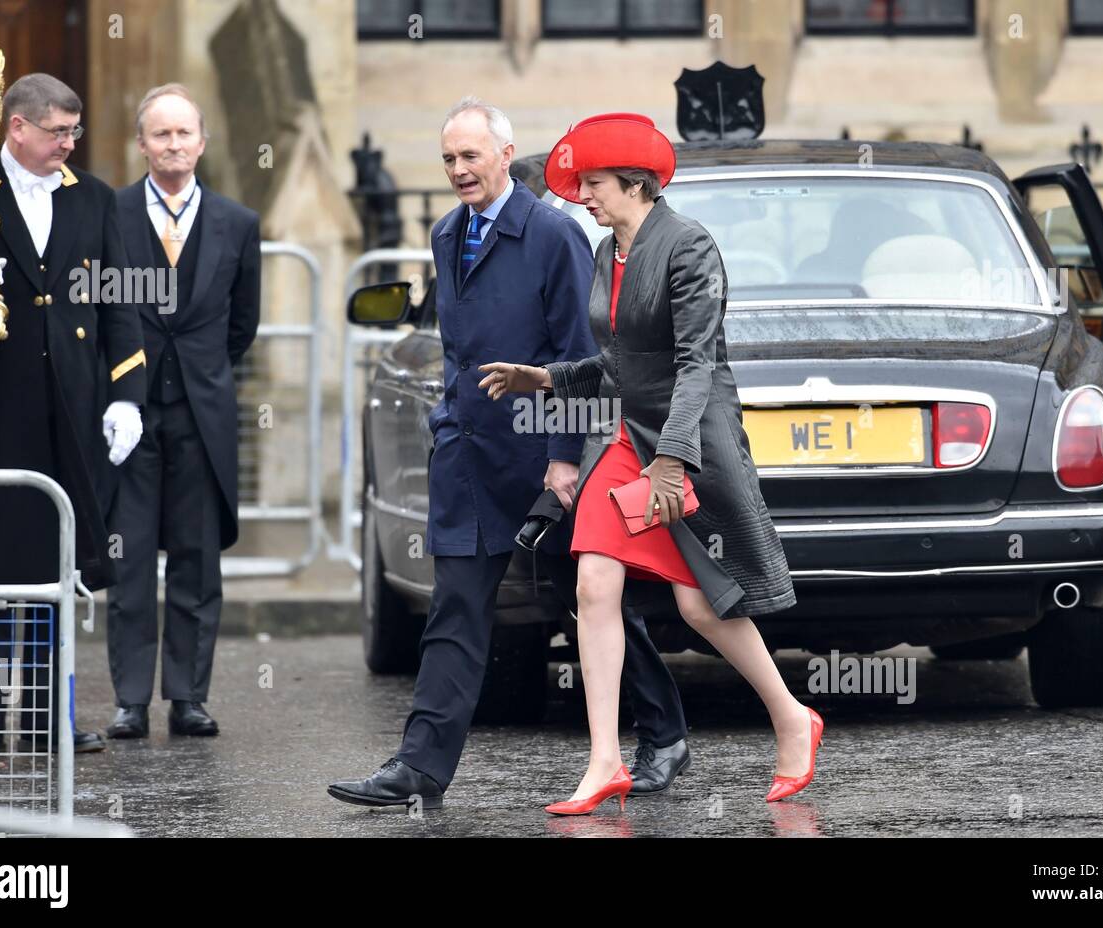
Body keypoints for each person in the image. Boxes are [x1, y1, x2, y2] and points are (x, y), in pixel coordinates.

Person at [328, 98, 692, 809]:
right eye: (449, 159)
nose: (459, 169)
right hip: (469, 457)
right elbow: (457, 350)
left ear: (504, 155)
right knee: (456, 610)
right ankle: (419, 767)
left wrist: (565, 458)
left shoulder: (554, 234)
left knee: (588, 602)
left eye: (471, 156)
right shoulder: (445, 233)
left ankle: (665, 732)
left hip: (546, 461)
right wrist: (447, 423)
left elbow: (580, 352)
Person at [477, 113, 822, 816]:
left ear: (634, 182)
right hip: (624, 436)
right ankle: (605, 757)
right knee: (594, 581)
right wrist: (544, 378)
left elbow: (697, 367)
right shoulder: (609, 250)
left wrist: (670, 460)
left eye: (595, 184)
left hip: (688, 440)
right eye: (581, 186)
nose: (583, 197)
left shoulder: (689, 246)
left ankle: (792, 717)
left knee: (700, 604)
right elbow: (616, 365)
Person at [0, 73, 148, 754]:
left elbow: (116, 301)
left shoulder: (94, 197)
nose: (69, 143)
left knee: (59, 565)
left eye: (74, 131)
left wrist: (127, 394)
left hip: (73, 406)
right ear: (16, 127)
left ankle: (50, 720)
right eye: (58, 132)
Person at [103, 84, 262, 740]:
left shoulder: (238, 223)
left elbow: (242, 325)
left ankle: (189, 697)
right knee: (130, 557)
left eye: (183, 133)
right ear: (142, 144)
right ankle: (130, 700)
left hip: (202, 415)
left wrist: (200, 374)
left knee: (197, 558)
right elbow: (100, 309)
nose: (173, 144)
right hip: (129, 413)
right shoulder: (109, 214)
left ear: (201, 142)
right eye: (160, 134)